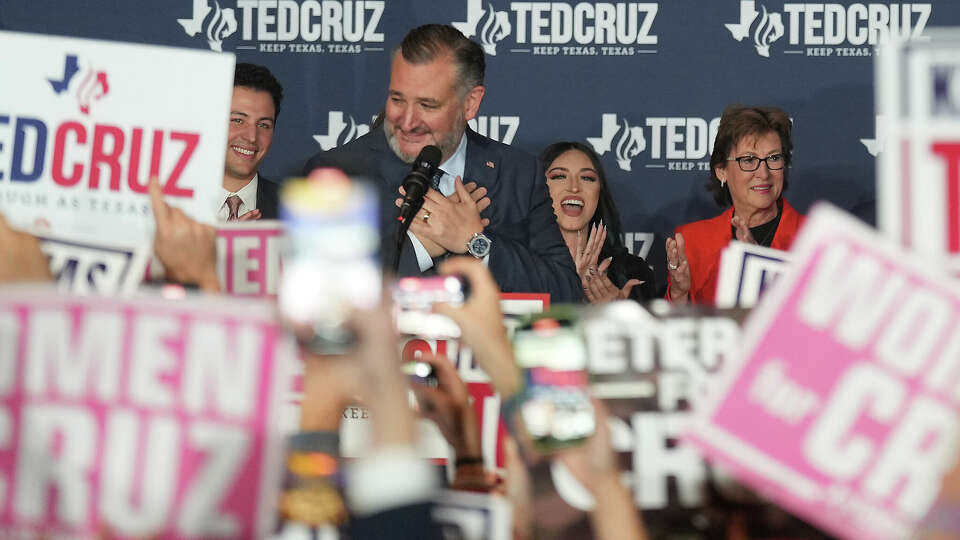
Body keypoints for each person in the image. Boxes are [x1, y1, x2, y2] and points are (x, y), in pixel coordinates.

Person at [303, 24, 581, 302]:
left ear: (470, 103)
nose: (407, 122)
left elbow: (565, 292)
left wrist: (475, 242)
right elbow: (317, 292)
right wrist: (420, 247)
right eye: (397, 99)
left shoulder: (518, 173)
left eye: (428, 105)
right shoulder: (336, 174)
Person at [665, 105, 806, 304]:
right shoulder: (693, 242)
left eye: (773, 158)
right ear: (721, 171)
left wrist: (761, 272)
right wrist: (679, 295)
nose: (764, 174)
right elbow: (678, 331)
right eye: (749, 160)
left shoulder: (814, 240)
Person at [541, 141, 657, 303]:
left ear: (599, 191)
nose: (574, 187)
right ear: (538, 187)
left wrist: (618, 314)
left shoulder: (632, 271)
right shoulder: (515, 267)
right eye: (559, 176)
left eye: (587, 178)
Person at [220, 62, 283, 221]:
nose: (252, 136)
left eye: (263, 125)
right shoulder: (172, 206)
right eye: (238, 120)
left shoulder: (295, 213)